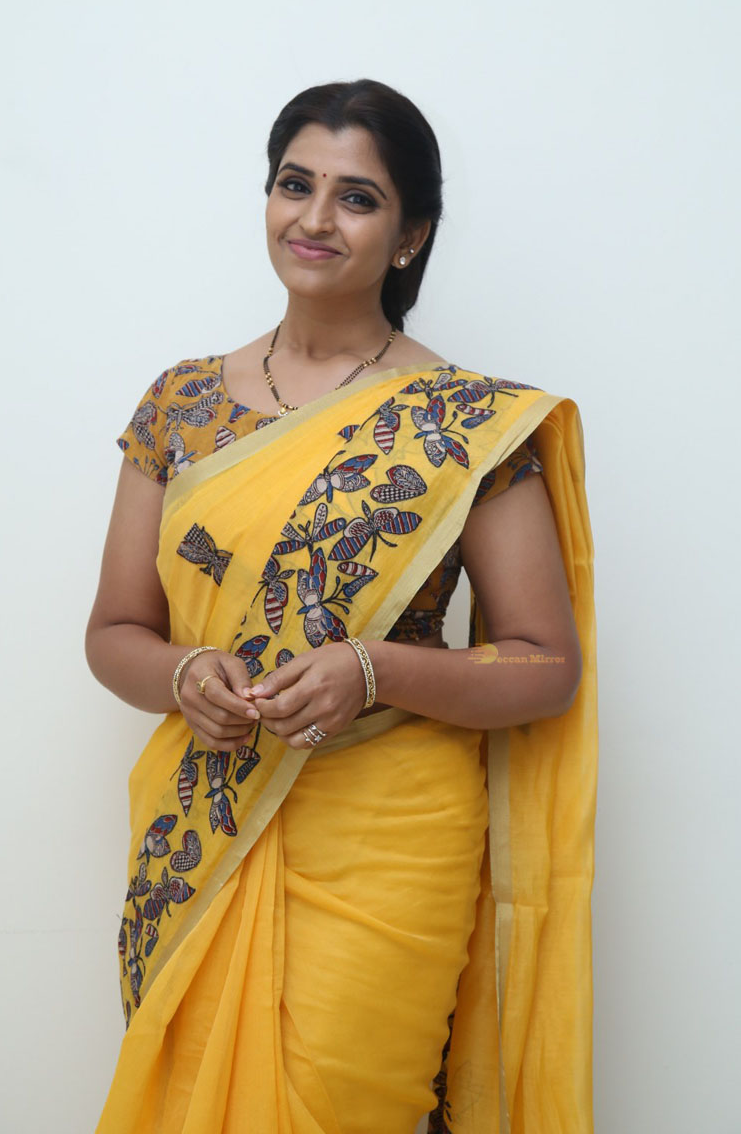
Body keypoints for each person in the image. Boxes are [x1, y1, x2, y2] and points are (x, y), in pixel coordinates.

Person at [86, 78, 598, 1134]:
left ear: (410, 236)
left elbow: (547, 666)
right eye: (295, 184)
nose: (314, 218)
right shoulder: (180, 404)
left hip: (388, 834)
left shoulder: (465, 423)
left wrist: (375, 669)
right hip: (205, 821)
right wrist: (185, 674)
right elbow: (114, 633)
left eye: (356, 197)